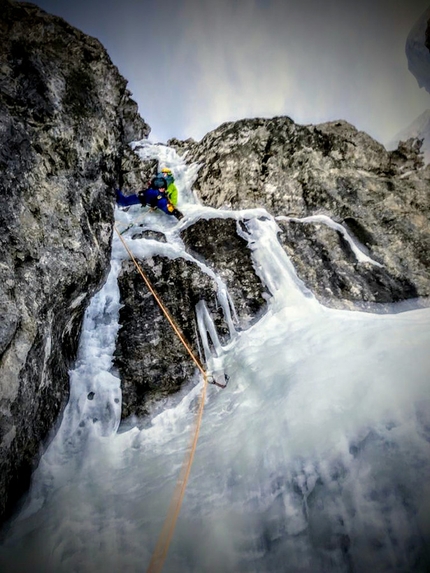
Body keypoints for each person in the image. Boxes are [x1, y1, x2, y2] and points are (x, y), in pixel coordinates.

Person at [116, 176, 184, 220]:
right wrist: (175, 213)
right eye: (162, 188)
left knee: (124, 202)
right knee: (123, 202)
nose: (163, 189)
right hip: (143, 198)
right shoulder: (156, 194)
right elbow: (167, 208)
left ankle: (115, 191)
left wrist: (174, 212)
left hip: (143, 198)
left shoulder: (157, 194)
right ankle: (115, 191)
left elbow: (165, 207)